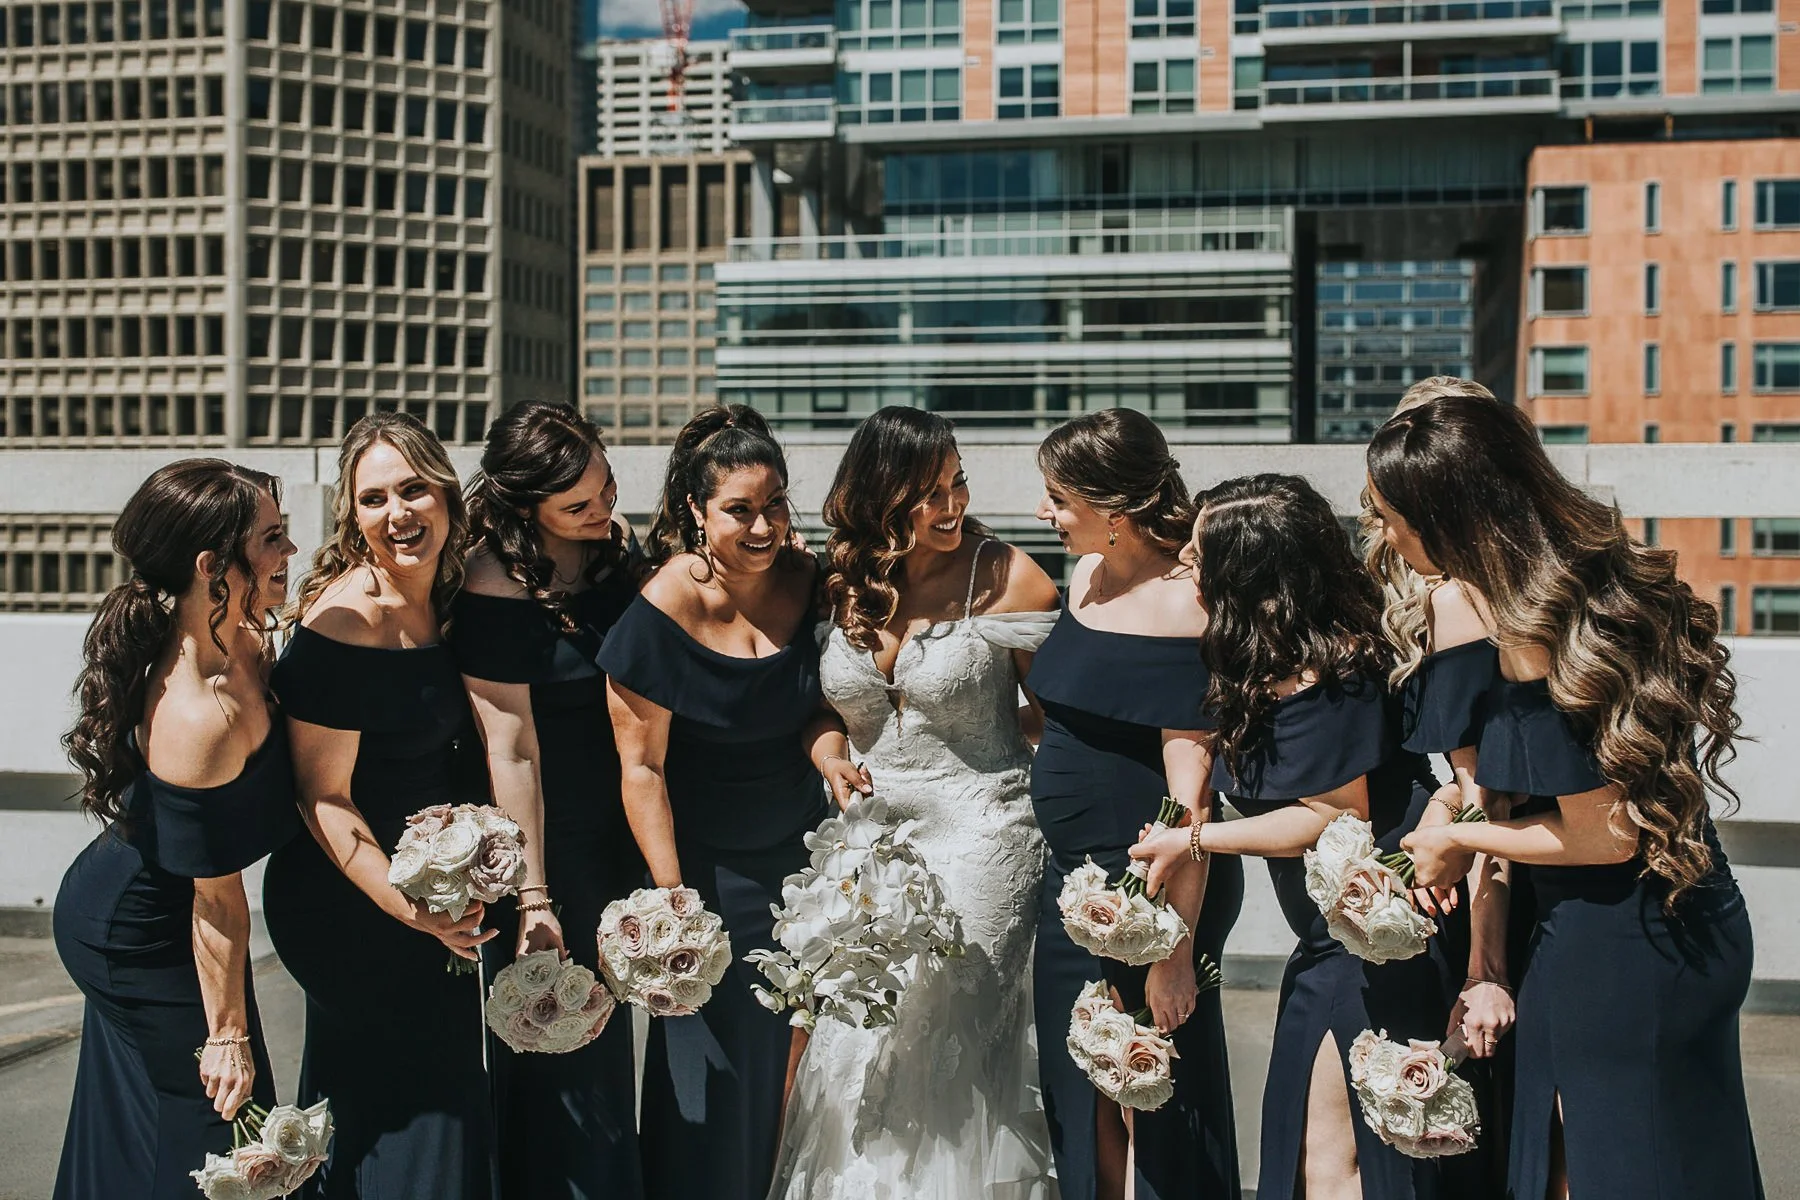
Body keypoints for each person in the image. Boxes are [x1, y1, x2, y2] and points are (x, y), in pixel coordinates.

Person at [1369, 396, 1763, 1200]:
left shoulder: (1532, 636)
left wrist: (1459, 841)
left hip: (1616, 940)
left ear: (1448, 520)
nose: (1386, 537)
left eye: (1391, 518)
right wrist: (1458, 812)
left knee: (1601, 1162)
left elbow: (1604, 834)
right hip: (1690, 911)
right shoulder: (1595, 578)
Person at [1131, 474, 1450, 1200]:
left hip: (1381, 922)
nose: (1184, 565)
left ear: (1248, 572)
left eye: (1199, 554)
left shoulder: (1331, 672)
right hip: (1328, 928)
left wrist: (1195, 841)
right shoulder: (1254, 660)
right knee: (1322, 1145)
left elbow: (1334, 815)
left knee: (1334, 1153)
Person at [770, 406, 1061, 1198]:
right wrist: (831, 755)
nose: (952, 504)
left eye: (957, 483)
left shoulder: (1009, 576)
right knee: (853, 1041)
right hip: (869, 847)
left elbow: (1062, 718)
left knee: (940, 1039)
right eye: (929, 492)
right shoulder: (840, 581)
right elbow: (825, 711)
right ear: (880, 496)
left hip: (986, 831)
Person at [263, 413, 497, 1199]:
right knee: (412, 1112)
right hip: (351, 904)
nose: (398, 513)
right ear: (352, 515)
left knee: (432, 1103)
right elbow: (321, 797)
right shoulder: (348, 620)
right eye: (374, 499)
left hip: (432, 898)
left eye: (413, 490)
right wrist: (412, 911)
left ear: (446, 495)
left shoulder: (447, 590)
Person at [53, 460, 301, 1200]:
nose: (290, 551)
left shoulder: (244, 638)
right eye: (271, 539)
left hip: (169, 904)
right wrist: (227, 1035)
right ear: (209, 566)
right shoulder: (200, 714)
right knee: (221, 1126)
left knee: (158, 1118)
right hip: (139, 928)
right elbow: (217, 899)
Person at [600, 405, 827, 1200]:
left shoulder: (811, 581)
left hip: (807, 866)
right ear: (697, 511)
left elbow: (827, 707)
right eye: (739, 510)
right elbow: (641, 768)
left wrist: (832, 753)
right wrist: (674, 900)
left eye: (775, 504)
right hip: (709, 876)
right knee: (715, 1081)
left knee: (801, 1066)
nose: (763, 526)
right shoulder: (660, 609)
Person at [1027, 409, 1244, 1200]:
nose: (1045, 514)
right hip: (1068, 886)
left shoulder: (1189, 602)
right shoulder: (1086, 574)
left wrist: (1173, 953)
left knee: (1154, 1091)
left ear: (1113, 510)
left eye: (1059, 500)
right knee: (1080, 1085)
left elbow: (1194, 794)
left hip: (1148, 893)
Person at [454, 401, 643, 1200]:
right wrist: (534, 896)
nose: (602, 511)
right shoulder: (491, 582)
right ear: (525, 506)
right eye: (578, 506)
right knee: (558, 1055)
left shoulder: (613, 547)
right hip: (545, 844)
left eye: (606, 489)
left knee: (609, 1057)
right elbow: (512, 748)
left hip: (618, 826)